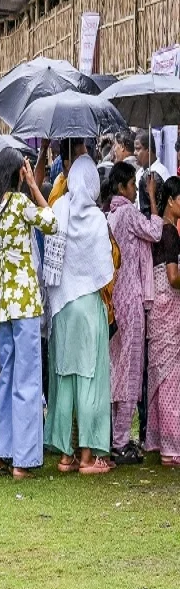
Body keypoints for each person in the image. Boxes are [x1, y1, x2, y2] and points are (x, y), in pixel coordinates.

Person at [0, 149, 57, 480]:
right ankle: (23, 459)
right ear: (19, 173)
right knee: (27, 379)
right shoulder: (20, 204)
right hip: (24, 303)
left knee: (7, 378)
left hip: (1, 306)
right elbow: (52, 222)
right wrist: (34, 187)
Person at [43, 155, 115, 475]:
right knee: (90, 378)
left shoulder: (59, 209)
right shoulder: (97, 219)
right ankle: (87, 456)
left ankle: (65, 455)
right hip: (88, 307)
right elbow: (105, 268)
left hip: (63, 306)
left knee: (64, 378)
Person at [107, 161, 161, 464]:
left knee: (118, 369)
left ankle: (117, 436)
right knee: (130, 369)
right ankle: (120, 441)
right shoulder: (127, 213)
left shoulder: (111, 214)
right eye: (132, 186)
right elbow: (154, 231)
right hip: (131, 299)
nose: (133, 191)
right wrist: (152, 197)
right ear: (122, 187)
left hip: (117, 299)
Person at [147, 177, 180, 466]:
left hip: (157, 307)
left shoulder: (158, 228)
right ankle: (171, 447)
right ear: (171, 200)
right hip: (169, 304)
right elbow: (172, 277)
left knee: (160, 374)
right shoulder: (170, 233)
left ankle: (158, 441)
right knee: (170, 378)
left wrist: (151, 195)